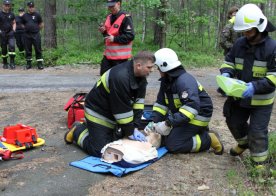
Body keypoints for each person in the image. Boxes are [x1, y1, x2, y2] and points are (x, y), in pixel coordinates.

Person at [64, 51, 155, 157]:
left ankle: (92, 129)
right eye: (149, 67)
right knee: (101, 150)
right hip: (97, 111)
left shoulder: (141, 78)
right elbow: (122, 112)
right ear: (139, 65)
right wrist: (130, 132)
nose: (152, 70)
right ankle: (77, 131)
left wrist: (135, 127)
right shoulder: (120, 77)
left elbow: (138, 104)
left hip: (112, 111)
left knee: (117, 140)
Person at [219, 4, 276, 169]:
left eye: (249, 30)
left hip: (261, 100)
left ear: (259, 27)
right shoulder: (239, 44)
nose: (245, 34)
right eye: (243, 31)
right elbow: (228, 61)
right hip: (239, 96)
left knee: (257, 132)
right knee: (233, 121)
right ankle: (243, 144)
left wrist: (255, 87)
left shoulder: (272, 48)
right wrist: (226, 73)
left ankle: (259, 165)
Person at [145, 48, 224, 155]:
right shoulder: (167, 82)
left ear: (164, 67)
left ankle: (208, 139)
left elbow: (191, 108)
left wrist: (168, 123)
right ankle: (197, 132)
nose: (157, 70)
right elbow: (161, 104)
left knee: (173, 145)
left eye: (158, 68)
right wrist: (153, 122)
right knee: (164, 135)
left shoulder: (184, 81)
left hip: (198, 116)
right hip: (183, 115)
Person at [98, 0, 135, 75]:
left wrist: (114, 39)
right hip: (108, 56)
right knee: (103, 78)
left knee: (118, 81)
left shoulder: (126, 17)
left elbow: (130, 36)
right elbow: (108, 35)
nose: (110, 8)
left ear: (118, 4)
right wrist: (104, 32)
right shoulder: (109, 17)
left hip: (120, 59)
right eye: (109, 6)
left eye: (112, 6)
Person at [217, 6, 240, 96]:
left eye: (238, 12)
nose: (237, 14)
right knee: (228, 70)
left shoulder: (241, 25)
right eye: (235, 13)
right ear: (230, 15)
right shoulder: (229, 26)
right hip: (231, 53)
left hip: (241, 53)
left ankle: (227, 89)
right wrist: (233, 47)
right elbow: (222, 41)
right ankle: (223, 88)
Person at [21, 1, 44, 69]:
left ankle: (39, 64)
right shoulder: (24, 15)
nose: (31, 8)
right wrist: (26, 28)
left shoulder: (37, 15)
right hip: (27, 35)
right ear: (27, 7)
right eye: (30, 7)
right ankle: (28, 64)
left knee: (38, 48)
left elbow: (41, 23)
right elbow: (22, 24)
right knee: (28, 49)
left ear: (34, 7)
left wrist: (37, 29)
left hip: (36, 34)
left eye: (32, 7)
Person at [0, 0, 16, 69]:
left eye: (8, 5)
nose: (7, 6)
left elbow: (14, 22)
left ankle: (12, 62)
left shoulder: (12, 14)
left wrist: (14, 30)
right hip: (2, 33)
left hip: (10, 33)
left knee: (12, 47)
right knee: (4, 49)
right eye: (6, 5)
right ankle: (5, 62)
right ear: (2, 5)